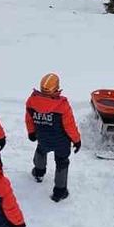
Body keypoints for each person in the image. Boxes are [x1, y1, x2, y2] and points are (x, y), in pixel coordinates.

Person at [25, 72, 82, 202]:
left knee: (41, 151)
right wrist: (76, 140)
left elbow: (29, 119)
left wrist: (31, 132)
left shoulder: (32, 101)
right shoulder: (62, 105)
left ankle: (38, 173)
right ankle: (60, 191)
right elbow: (70, 126)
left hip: (43, 137)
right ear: (56, 88)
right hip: (61, 141)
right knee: (62, 162)